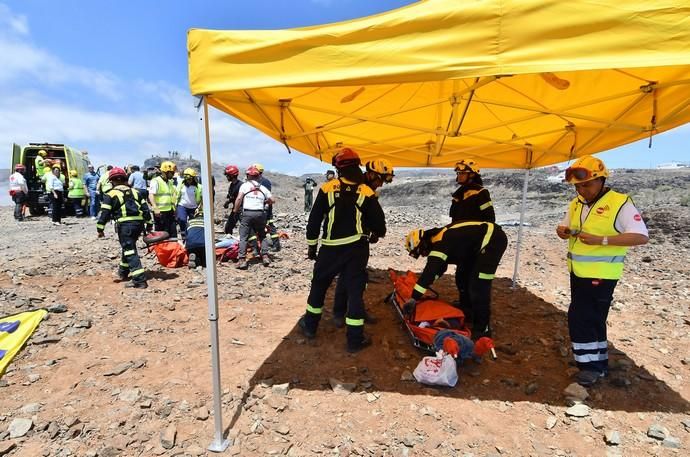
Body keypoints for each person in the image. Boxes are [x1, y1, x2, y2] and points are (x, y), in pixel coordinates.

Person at [556, 155, 648, 387]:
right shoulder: (576, 203)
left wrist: (602, 240)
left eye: (586, 184)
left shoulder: (620, 203)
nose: (581, 190)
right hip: (578, 271)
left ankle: (590, 368)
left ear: (601, 180)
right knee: (593, 318)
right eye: (577, 186)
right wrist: (563, 231)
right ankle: (597, 362)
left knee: (580, 317)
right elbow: (563, 226)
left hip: (601, 274)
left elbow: (640, 236)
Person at [298, 148, 386, 353]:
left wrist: (312, 246)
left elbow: (314, 221)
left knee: (319, 286)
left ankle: (310, 326)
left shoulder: (328, 189)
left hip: (330, 249)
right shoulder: (366, 192)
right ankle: (355, 340)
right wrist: (373, 233)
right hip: (357, 249)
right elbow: (380, 226)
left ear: (339, 168)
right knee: (355, 293)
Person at [404, 220, 508, 340]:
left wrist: (414, 298)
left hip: (492, 241)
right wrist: (428, 282)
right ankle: (468, 310)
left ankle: (482, 328)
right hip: (476, 247)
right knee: (462, 277)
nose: (423, 255)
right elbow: (439, 269)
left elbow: (430, 271)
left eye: (421, 252)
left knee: (479, 285)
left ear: (422, 244)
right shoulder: (438, 239)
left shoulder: (440, 243)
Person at [331, 158, 395, 328]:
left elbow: (369, 214)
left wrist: (372, 232)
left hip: (359, 241)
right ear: (372, 174)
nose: (381, 184)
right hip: (345, 240)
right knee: (347, 277)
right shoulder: (357, 188)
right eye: (380, 179)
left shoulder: (368, 190)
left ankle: (354, 310)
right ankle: (339, 312)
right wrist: (377, 231)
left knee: (356, 277)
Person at [96, 167, 153, 289]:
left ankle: (139, 280)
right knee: (128, 247)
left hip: (125, 226)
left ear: (111, 181)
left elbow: (105, 213)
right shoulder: (136, 192)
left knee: (129, 250)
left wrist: (100, 229)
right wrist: (149, 224)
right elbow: (145, 209)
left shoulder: (110, 194)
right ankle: (123, 272)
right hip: (138, 225)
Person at [234, 166, 273, 269]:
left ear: (248, 176)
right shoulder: (263, 188)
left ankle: (242, 259)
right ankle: (265, 256)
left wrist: (235, 210)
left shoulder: (244, 186)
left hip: (247, 213)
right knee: (262, 235)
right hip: (260, 214)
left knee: (244, 237)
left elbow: (239, 199)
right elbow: (272, 200)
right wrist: (265, 202)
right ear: (258, 176)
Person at [252, 163, 281, 251]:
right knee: (268, 225)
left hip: (264, 207)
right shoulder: (263, 181)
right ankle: (273, 245)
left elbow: (266, 196)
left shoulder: (262, 182)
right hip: (263, 207)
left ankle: (259, 247)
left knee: (268, 225)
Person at [149, 161, 178, 239]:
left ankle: (173, 249)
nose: (173, 174)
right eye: (171, 173)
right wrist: (155, 208)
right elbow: (151, 194)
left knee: (173, 234)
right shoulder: (156, 181)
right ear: (165, 172)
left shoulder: (169, 182)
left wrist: (174, 209)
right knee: (161, 234)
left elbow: (171, 197)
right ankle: (161, 250)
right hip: (160, 212)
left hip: (170, 211)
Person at [175, 168, 202, 241]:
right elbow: (176, 195)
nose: (188, 181)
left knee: (193, 224)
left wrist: (199, 208)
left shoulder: (199, 187)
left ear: (193, 178)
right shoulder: (181, 185)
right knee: (182, 219)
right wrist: (175, 206)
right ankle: (183, 234)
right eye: (187, 179)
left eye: (190, 179)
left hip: (193, 208)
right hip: (182, 206)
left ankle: (191, 236)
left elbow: (202, 198)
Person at [222, 164, 242, 234]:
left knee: (246, 228)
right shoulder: (231, 185)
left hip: (242, 210)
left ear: (232, 175)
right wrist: (228, 202)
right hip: (235, 210)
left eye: (227, 175)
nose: (226, 177)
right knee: (228, 227)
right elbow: (232, 197)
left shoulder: (241, 185)